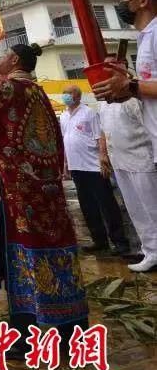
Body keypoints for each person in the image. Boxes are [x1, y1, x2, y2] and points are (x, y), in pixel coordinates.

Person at [0, 44, 88, 359]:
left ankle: (26, 337)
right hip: (48, 194)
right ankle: (70, 331)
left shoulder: (11, 89)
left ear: (14, 61)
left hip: (18, 194)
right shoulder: (39, 95)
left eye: (5, 54)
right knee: (56, 253)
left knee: (21, 259)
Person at [93, 0, 157, 165]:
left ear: (142, 0)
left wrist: (132, 86)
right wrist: (128, 92)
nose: (119, 5)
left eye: (122, 0)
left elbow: (138, 86)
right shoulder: (145, 37)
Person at [60, 86, 129, 257]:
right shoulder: (63, 116)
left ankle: (119, 241)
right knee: (87, 206)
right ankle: (99, 240)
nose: (66, 97)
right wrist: (65, 164)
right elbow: (65, 140)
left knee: (107, 204)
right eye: (65, 94)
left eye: (69, 94)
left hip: (93, 166)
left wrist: (103, 157)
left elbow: (100, 136)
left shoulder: (89, 113)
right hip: (77, 167)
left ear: (78, 96)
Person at [99, 89, 157, 273]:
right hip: (119, 161)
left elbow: (150, 127)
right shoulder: (104, 102)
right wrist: (103, 153)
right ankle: (151, 252)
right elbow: (103, 129)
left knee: (152, 209)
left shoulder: (132, 99)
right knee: (136, 210)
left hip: (141, 159)